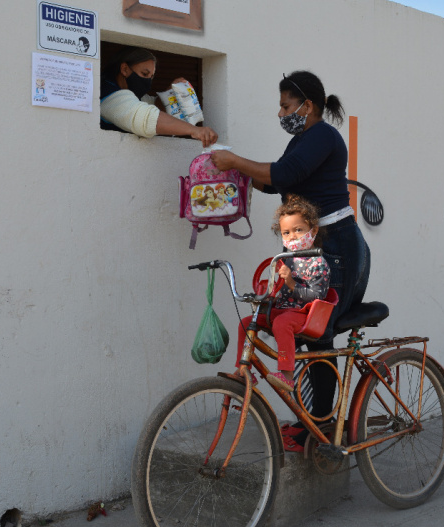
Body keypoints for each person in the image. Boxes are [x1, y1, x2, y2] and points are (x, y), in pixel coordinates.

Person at [212, 70, 370, 450]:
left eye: (286, 105)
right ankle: (313, 423)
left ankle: (321, 427)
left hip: (337, 248)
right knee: (303, 332)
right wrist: (232, 169)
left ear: (308, 105)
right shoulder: (305, 139)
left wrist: (235, 158)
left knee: (319, 335)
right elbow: (275, 182)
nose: (281, 112)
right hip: (312, 249)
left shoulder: (323, 136)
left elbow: (285, 173)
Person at [235, 195, 330, 392]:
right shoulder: (286, 260)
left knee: (281, 323)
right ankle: (243, 370)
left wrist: (290, 282)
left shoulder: (318, 263)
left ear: (313, 231)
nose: (292, 237)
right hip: (283, 309)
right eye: (286, 233)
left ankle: (287, 376)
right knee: (246, 323)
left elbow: (317, 297)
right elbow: (278, 290)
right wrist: (268, 293)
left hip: (304, 314)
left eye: (298, 230)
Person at [99, 47, 218, 147]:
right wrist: (194, 130)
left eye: (151, 77)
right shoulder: (109, 95)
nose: (148, 81)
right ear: (124, 69)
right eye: (144, 74)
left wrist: (170, 94)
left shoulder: (131, 93)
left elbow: (151, 104)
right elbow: (146, 118)